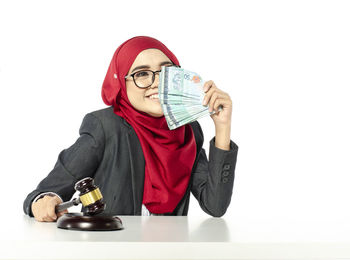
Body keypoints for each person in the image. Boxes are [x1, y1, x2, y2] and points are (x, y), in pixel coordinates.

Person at [23, 36, 239, 222]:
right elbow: (45, 192)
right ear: (121, 84)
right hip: (113, 250)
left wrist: (222, 127)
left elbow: (215, 206)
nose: (157, 83)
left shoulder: (188, 130)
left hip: (171, 251)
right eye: (142, 74)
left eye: (167, 72)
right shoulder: (105, 127)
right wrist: (41, 202)